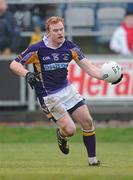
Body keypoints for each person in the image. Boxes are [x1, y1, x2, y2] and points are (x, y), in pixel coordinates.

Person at [10, 16, 122, 166]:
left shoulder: (71, 47)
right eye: (56, 30)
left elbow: (91, 69)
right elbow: (14, 64)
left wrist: (109, 77)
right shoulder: (37, 49)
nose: (60, 33)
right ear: (48, 33)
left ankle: (93, 161)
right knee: (70, 130)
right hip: (48, 95)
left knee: (87, 121)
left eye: (62, 29)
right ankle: (61, 134)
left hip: (67, 89)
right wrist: (27, 74)